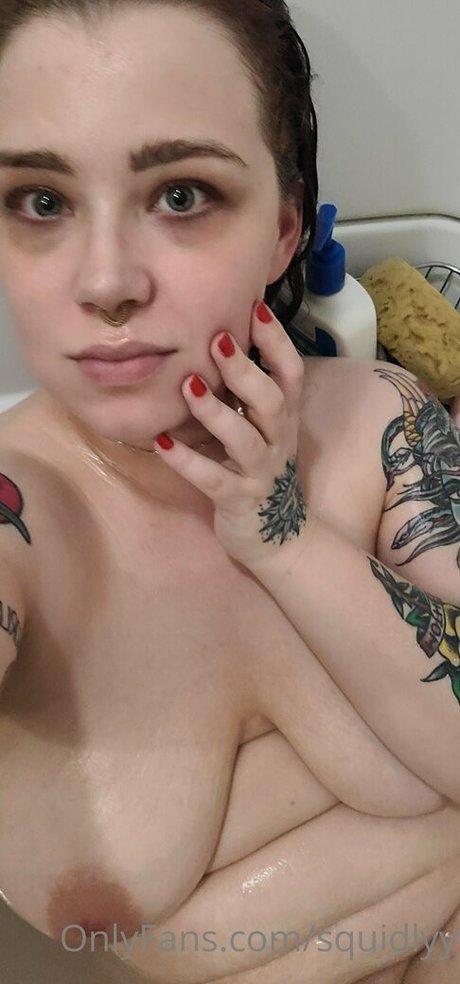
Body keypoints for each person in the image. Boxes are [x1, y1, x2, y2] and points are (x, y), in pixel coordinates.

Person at [0, 1, 458, 982]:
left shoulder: (383, 422)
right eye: (39, 201)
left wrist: (286, 541)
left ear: (284, 229)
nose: (106, 282)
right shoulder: (17, 521)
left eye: (181, 194)